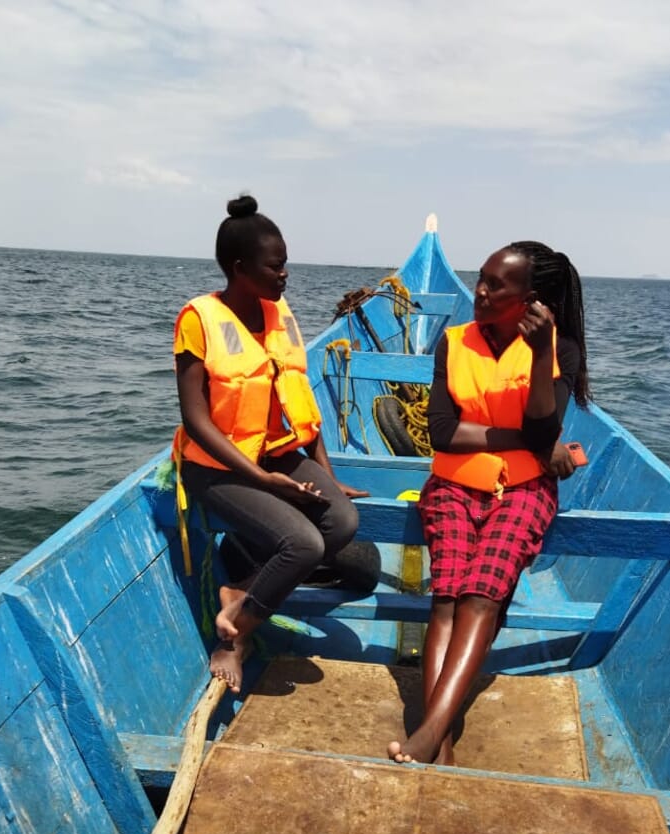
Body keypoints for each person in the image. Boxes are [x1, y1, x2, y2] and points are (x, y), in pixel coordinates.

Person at [388, 241, 589, 765]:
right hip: (453, 485)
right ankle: (442, 742)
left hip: (523, 490)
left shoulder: (560, 350)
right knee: (448, 597)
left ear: (532, 300)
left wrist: (543, 352)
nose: (480, 291)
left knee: (482, 597)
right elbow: (442, 434)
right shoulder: (453, 342)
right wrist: (529, 442)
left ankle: (430, 735)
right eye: (481, 278)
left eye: (497, 285)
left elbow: (545, 425)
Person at [173, 195, 366, 692]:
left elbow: (301, 404)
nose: (285, 276)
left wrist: (328, 475)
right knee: (303, 543)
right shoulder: (199, 319)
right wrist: (265, 482)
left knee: (341, 521)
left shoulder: (279, 314)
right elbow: (196, 420)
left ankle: (240, 585)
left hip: (276, 454)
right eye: (274, 267)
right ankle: (233, 638)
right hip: (216, 467)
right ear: (240, 269)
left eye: (285, 266)